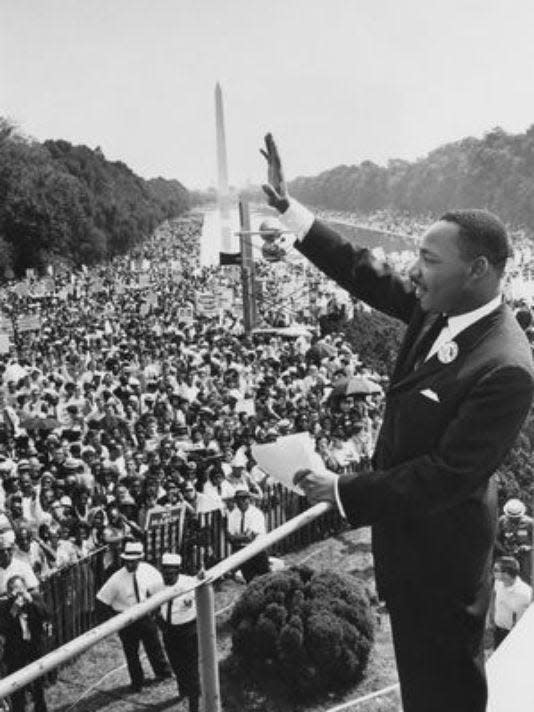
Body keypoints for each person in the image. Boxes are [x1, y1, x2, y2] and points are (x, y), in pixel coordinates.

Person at [260, 133, 534, 712]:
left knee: (448, 692)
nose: (415, 269)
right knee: (421, 689)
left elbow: (445, 476)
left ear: (479, 269)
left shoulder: (506, 366)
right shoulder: (441, 308)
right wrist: (292, 211)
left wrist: (341, 491)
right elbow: (364, 271)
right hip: (409, 549)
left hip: (444, 564)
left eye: (430, 260)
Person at [96, 540, 171, 692]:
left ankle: (163, 673)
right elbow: (101, 600)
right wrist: (113, 619)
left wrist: (156, 610)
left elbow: (161, 589)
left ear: (140, 559)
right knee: (131, 652)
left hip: (145, 615)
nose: (130, 565)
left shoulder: (149, 571)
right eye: (127, 561)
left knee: (154, 645)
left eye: (133, 561)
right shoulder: (116, 578)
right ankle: (137, 682)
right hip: (126, 619)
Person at [156, 553, 200, 712]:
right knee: (176, 664)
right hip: (169, 630)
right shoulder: (157, 586)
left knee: (192, 668)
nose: (167, 576)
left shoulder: (189, 583)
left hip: (188, 630)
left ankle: (194, 704)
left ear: (178, 571)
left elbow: (203, 600)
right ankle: (183, 690)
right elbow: (152, 605)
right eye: (165, 573)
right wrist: (160, 622)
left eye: (171, 574)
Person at [0, 574, 50, 712]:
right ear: (9, 592)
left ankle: (40, 708)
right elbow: (3, 628)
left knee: (38, 685)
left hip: (34, 647)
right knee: (17, 689)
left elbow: (46, 615)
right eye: (13, 590)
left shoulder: (35, 598)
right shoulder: (4, 605)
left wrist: (31, 602)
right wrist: (14, 609)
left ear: (26, 588)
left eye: (20, 588)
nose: (17, 593)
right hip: (16, 651)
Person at [226, 486, 269, 583]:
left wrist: (236, 537)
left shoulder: (256, 514)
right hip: (242, 551)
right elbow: (229, 537)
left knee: (265, 578)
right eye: (239, 500)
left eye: (244, 499)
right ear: (235, 501)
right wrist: (240, 537)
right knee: (249, 579)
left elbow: (249, 537)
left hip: (257, 550)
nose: (241, 502)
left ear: (249, 500)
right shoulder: (233, 514)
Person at [491, 556, 532, 648]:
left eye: (496, 569)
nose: (493, 572)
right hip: (498, 632)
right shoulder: (498, 583)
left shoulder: (526, 593)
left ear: (506, 573)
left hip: (515, 636)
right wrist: (491, 614)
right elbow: (494, 594)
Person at [495, 498, 533, 583]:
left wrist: (528, 547)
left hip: (525, 557)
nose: (513, 519)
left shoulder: (530, 523)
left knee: (525, 580)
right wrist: (503, 550)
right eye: (511, 517)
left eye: (516, 517)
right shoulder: (502, 521)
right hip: (507, 556)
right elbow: (496, 539)